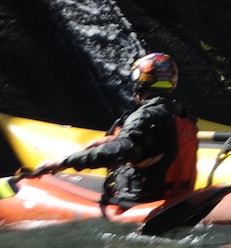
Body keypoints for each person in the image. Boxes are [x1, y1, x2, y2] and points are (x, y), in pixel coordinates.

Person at [18, 53, 197, 208]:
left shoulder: (145, 116)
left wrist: (64, 162)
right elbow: (158, 146)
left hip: (138, 201)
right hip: (175, 198)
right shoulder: (183, 116)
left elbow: (119, 152)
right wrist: (113, 139)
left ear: (139, 83)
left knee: (47, 182)